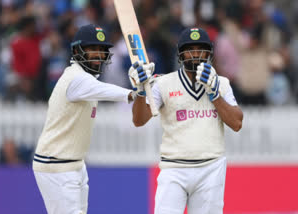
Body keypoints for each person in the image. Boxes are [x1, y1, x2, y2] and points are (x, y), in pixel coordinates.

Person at [32, 24, 153, 214]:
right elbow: (106, 91)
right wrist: (134, 91)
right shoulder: (76, 78)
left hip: (75, 164)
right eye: (92, 49)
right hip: (57, 166)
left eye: (102, 50)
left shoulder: (87, 79)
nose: (98, 54)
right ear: (77, 51)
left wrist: (150, 84)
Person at [129, 27, 243, 214]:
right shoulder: (163, 84)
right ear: (181, 53)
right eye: (190, 49)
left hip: (211, 168)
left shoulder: (221, 83)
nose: (196, 54)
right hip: (174, 168)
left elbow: (237, 123)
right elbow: (139, 120)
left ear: (209, 53)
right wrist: (141, 91)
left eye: (201, 49)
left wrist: (214, 94)